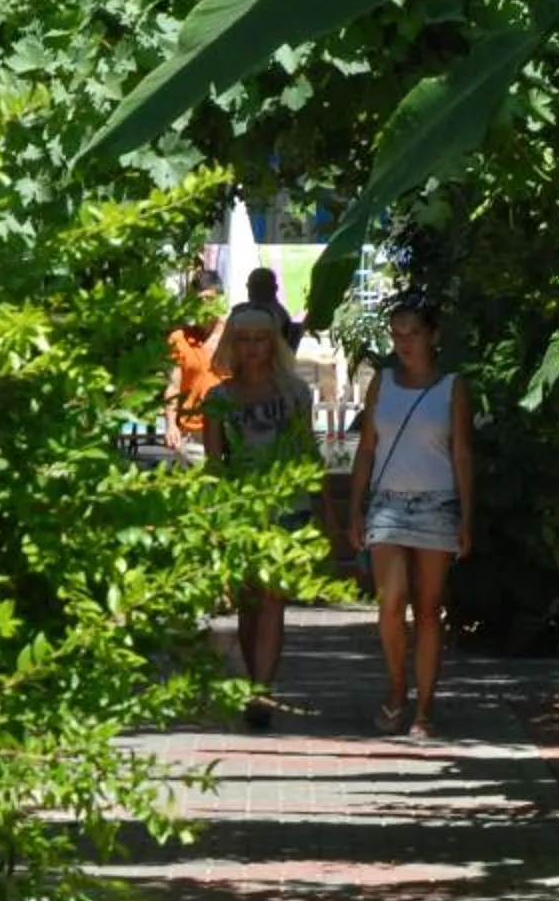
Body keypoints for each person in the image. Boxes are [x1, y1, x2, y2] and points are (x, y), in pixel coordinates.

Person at [345, 295, 471, 738]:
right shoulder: (382, 383)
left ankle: (424, 709)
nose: (404, 344)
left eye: (413, 334)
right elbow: (367, 449)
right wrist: (355, 508)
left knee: (429, 608)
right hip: (388, 504)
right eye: (397, 335)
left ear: (433, 336)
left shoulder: (452, 387)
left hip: (438, 503)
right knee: (391, 603)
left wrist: (467, 517)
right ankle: (397, 688)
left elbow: (462, 454)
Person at [201, 303, 318, 729]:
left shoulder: (295, 395)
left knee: (272, 599)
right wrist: (212, 520)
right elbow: (214, 465)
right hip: (240, 511)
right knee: (249, 604)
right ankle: (256, 683)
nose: (252, 348)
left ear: (273, 345)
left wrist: (324, 510)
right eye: (244, 340)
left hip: (288, 507)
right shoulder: (217, 400)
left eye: (261, 340)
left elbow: (309, 452)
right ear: (232, 345)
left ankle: (262, 691)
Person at [163, 267, 223, 461]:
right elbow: (173, 386)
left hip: (229, 432)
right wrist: (171, 424)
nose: (204, 306)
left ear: (220, 300)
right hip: (192, 435)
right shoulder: (179, 339)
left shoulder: (235, 337)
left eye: (210, 299)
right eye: (199, 301)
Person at [238, 265, 301, 349]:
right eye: (252, 286)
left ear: (274, 289)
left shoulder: (273, 314)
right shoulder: (247, 310)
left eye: (259, 286)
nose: (254, 290)